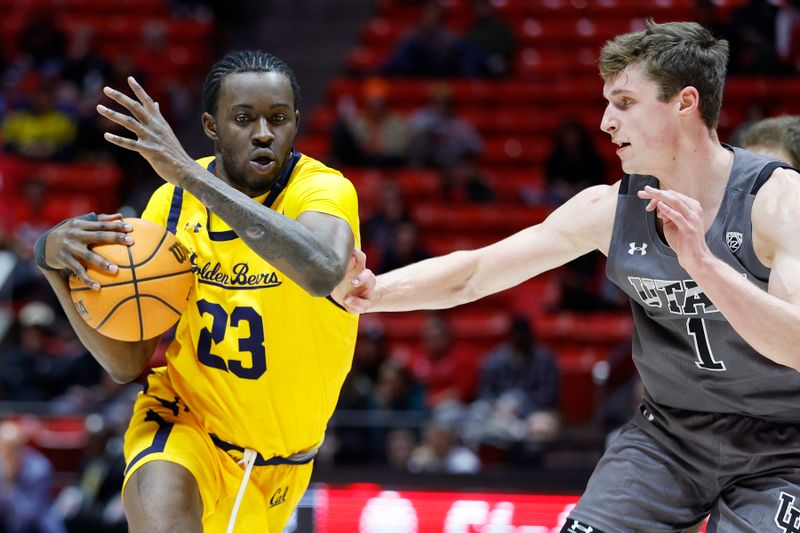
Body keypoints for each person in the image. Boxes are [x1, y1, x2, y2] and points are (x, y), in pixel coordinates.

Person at [343, 21, 800, 532]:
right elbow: (476, 272)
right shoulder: (609, 208)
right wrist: (378, 291)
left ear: (685, 103)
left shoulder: (778, 202)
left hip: (783, 443)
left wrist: (705, 266)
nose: (605, 121)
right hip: (670, 436)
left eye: (624, 103)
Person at [34, 50, 363, 532]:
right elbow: (127, 362)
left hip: (283, 462)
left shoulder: (321, 191)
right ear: (211, 127)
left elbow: (321, 271)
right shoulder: (169, 204)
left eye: (278, 118)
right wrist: (52, 266)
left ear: (296, 122)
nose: (264, 133)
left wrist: (189, 173)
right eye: (244, 119)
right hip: (183, 423)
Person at [0, 420, 66, 533]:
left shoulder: (40, 468)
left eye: (13, 448)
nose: (9, 454)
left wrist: (9, 484)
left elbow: (28, 516)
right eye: (4, 449)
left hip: (37, 526)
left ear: (23, 447)